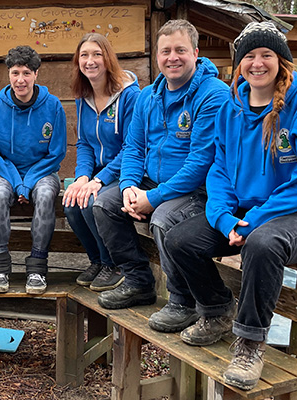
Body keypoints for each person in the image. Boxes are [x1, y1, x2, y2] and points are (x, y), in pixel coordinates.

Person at [163, 21, 297, 391]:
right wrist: (223, 217)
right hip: (249, 212)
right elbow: (220, 169)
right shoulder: (232, 107)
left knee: (263, 242)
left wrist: (255, 220)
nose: (257, 63)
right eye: (249, 56)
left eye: (266, 55)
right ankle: (216, 311)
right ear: (239, 64)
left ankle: (250, 342)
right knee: (179, 238)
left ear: (282, 61)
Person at [92, 20, 228, 316]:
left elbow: (200, 162)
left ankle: (183, 301)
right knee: (104, 204)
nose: (172, 58)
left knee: (164, 219)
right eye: (165, 51)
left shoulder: (213, 94)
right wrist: (128, 185)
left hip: (198, 188)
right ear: (157, 56)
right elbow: (133, 147)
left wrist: (153, 199)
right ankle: (139, 281)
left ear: (195, 52)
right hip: (151, 182)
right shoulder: (147, 97)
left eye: (180, 50)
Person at [63, 33, 140, 292]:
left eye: (97, 54)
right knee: (72, 202)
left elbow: (132, 147)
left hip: (126, 170)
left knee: (91, 203)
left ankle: (113, 264)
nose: (90, 61)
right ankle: (97, 260)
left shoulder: (129, 96)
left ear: (107, 59)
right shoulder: (82, 97)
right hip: (98, 171)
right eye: (84, 55)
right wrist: (83, 177)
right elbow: (84, 143)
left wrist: (98, 180)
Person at [0, 45, 66, 295]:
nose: (20, 80)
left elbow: (56, 153)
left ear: (36, 74)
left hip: (43, 172)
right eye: (15, 73)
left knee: (44, 195)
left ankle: (37, 267)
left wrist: (28, 182)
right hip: (5, 172)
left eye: (26, 73)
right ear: (8, 74)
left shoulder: (53, 106)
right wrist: (17, 182)